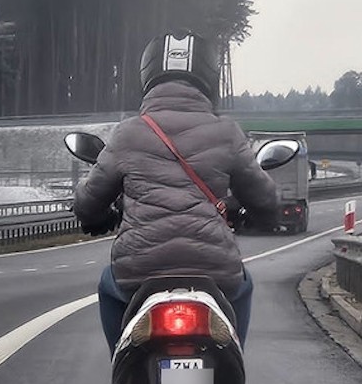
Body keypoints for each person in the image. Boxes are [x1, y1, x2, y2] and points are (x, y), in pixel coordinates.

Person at [73, 31, 278, 358]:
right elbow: (265, 199)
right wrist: (262, 213)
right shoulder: (227, 132)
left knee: (107, 286)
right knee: (244, 285)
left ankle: (121, 370)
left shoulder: (128, 132)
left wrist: (100, 217)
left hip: (138, 268)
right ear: (209, 78)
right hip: (214, 267)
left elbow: (87, 202)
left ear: (148, 75)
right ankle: (232, 370)